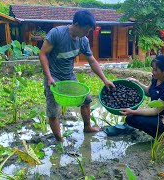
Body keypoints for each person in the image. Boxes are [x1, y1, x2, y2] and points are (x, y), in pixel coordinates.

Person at [39, 10, 115, 142]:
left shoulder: (83, 40)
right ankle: (59, 139)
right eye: (86, 30)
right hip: (53, 76)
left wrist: (104, 79)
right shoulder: (57, 34)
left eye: (89, 31)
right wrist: (49, 77)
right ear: (77, 24)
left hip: (69, 75)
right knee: (53, 110)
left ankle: (87, 127)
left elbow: (91, 61)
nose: (87, 34)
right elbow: (42, 54)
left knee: (86, 100)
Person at [120, 55, 164, 138]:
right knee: (130, 118)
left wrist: (132, 111)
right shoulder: (156, 78)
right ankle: (155, 131)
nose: (152, 71)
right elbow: (149, 91)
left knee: (132, 117)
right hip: (157, 115)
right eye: (152, 68)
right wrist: (136, 82)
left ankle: (161, 136)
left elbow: (155, 110)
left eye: (155, 70)